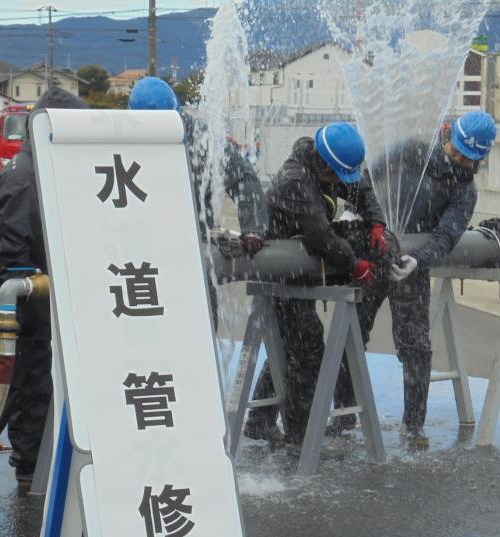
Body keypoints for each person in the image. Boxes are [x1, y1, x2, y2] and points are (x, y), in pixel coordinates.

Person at [0, 87, 89, 497]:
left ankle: (30, 465)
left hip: (29, 314)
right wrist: (33, 292)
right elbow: (12, 253)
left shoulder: (38, 170)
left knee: (36, 390)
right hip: (2, 312)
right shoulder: (24, 177)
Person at [333, 110, 497, 445]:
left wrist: (417, 261)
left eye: (468, 160)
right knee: (352, 332)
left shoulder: (466, 191)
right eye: (456, 153)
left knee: (415, 345)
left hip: (410, 262)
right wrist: (353, 209)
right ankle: (344, 414)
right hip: (372, 250)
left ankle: (413, 426)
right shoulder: (412, 151)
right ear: (448, 136)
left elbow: (447, 235)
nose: (459, 162)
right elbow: (370, 177)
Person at [243, 123, 388, 446]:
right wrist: (355, 265)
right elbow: (320, 235)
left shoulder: (328, 164)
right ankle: (300, 436)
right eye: (336, 176)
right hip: (279, 271)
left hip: (300, 270)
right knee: (307, 350)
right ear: (323, 164)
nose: (339, 183)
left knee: (290, 347)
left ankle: (259, 421)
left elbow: (360, 188)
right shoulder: (296, 181)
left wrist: (376, 222)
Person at [128, 76, 268, 327]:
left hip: (193, 251)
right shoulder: (121, 140)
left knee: (199, 327)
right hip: (143, 257)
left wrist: (253, 227)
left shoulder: (205, 141)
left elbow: (244, 177)